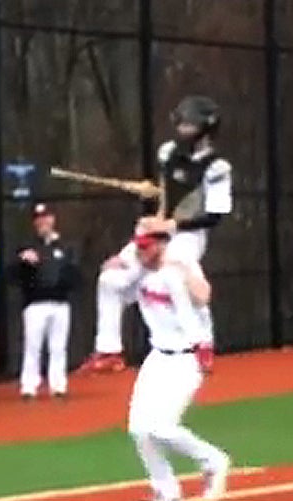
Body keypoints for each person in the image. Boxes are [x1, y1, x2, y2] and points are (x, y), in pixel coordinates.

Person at [87, 95, 231, 373]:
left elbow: (214, 216)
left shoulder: (217, 168)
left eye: (189, 124)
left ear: (206, 128)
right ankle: (109, 349)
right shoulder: (168, 153)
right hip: (159, 228)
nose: (182, 129)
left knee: (175, 278)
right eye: (182, 123)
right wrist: (153, 196)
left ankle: (202, 343)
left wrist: (172, 226)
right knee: (110, 278)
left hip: (189, 236)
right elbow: (170, 195)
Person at [126, 230, 230, 501]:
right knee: (139, 428)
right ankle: (168, 494)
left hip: (186, 357)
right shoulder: (140, 273)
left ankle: (214, 461)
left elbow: (201, 301)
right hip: (157, 357)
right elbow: (116, 289)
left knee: (162, 426)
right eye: (139, 248)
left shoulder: (179, 270)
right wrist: (115, 268)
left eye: (146, 247)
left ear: (161, 246)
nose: (141, 253)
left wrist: (204, 348)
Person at [12, 204, 80, 400]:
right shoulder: (27, 246)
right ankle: (29, 386)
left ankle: (58, 385)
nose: (43, 221)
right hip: (35, 304)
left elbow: (75, 274)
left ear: (52, 219)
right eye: (39, 218)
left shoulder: (65, 246)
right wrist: (23, 262)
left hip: (60, 304)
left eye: (46, 217)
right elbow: (13, 275)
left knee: (58, 347)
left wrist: (64, 285)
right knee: (33, 346)